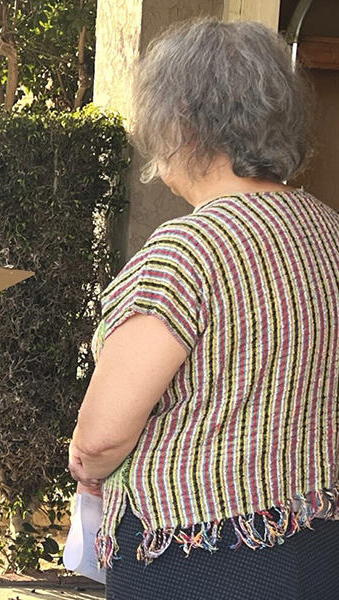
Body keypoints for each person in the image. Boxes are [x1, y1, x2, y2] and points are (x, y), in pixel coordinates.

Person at [67, 19, 339, 600]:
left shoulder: (186, 251)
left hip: (201, 558)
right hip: (318, 540)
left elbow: (101, 437)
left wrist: (86, 467)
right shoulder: (326, 229)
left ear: (184, 121)